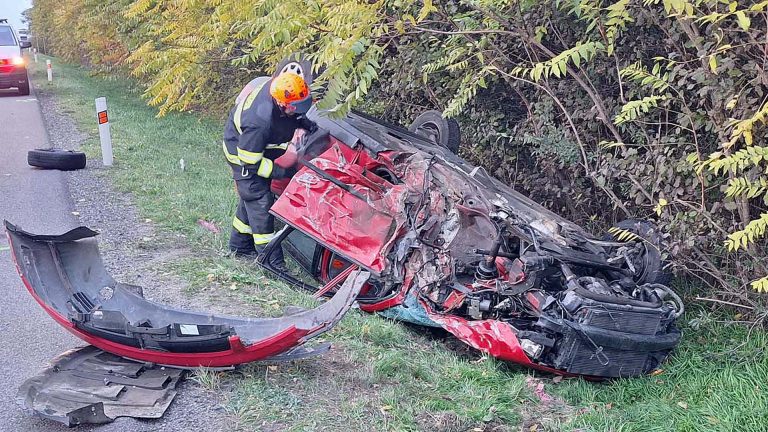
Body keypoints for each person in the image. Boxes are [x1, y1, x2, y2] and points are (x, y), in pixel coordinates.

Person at [222, 71, 317, 271]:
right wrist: (279, 172)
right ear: (282, 103)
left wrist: (306, 124)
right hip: (243, 156)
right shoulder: (259, 122)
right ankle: (272, 263)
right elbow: (250, 163)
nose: (300, 109)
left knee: (249, 201)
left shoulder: (282, 90)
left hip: (258, 149)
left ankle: (239, 247)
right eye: (296, 108)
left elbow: (293, 113)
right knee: (259, 200)